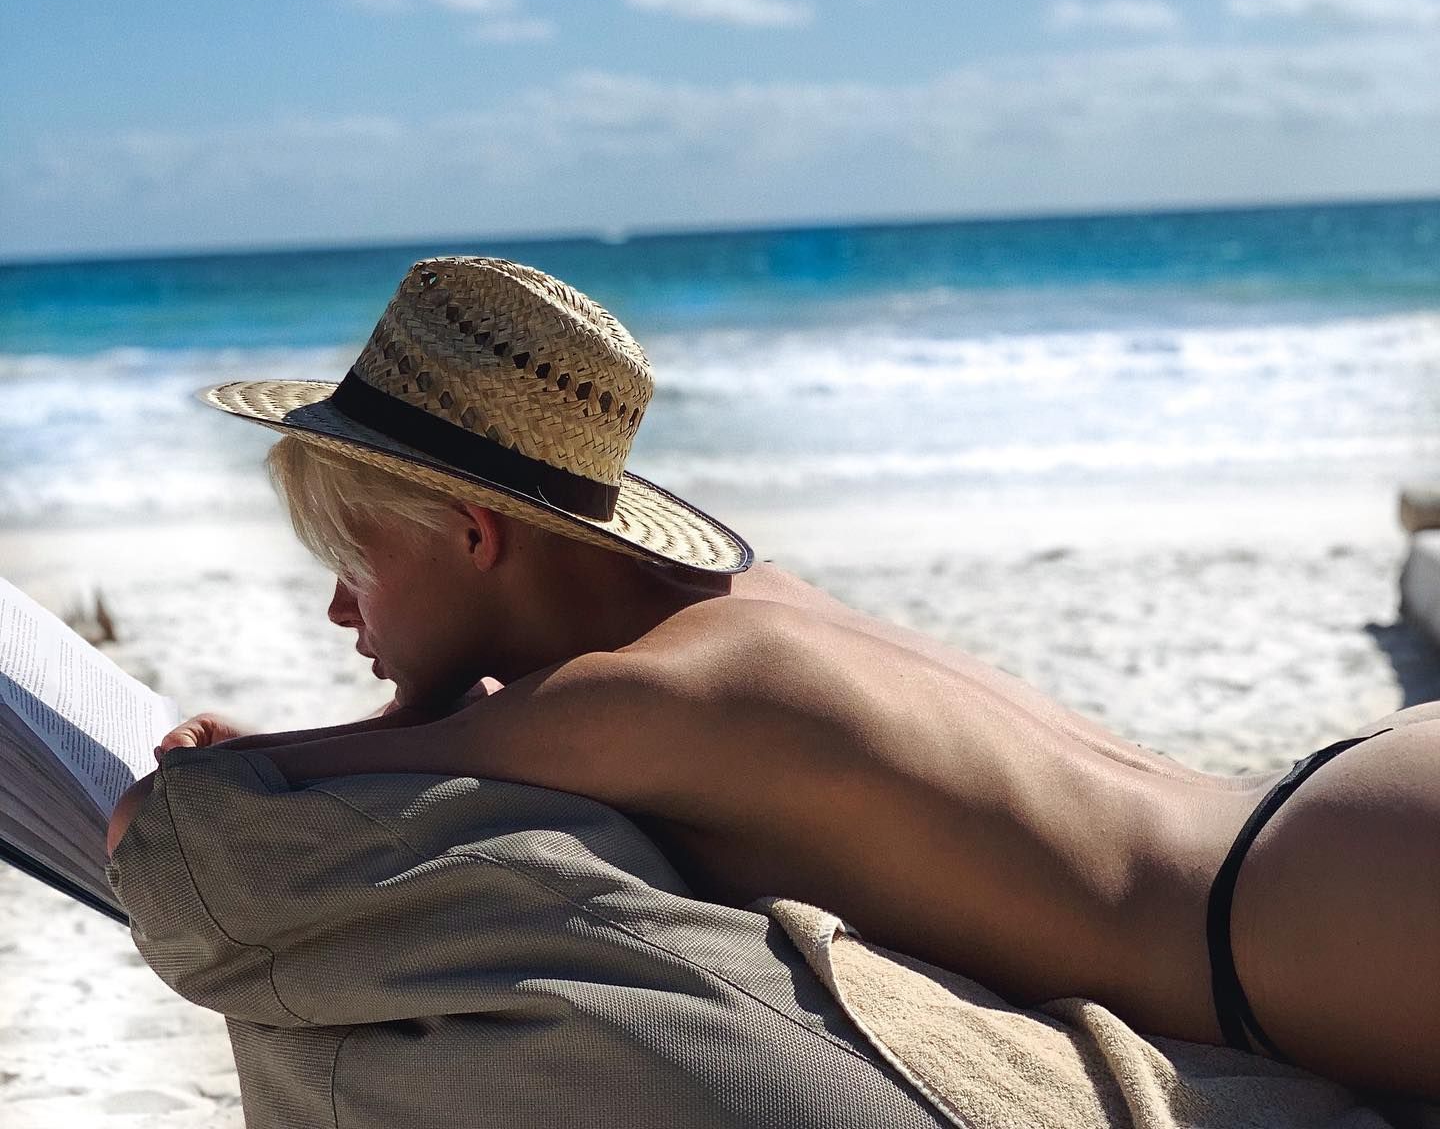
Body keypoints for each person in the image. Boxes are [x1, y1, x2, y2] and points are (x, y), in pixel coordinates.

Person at [107, 255, 1440, 1100]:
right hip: (1338, 822)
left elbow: (263, 792)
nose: (340, 607)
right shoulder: (738, 618)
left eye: (353, 561)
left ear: (473, 534)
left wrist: (251, 752)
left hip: (1312, 926)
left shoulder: (637, 706)